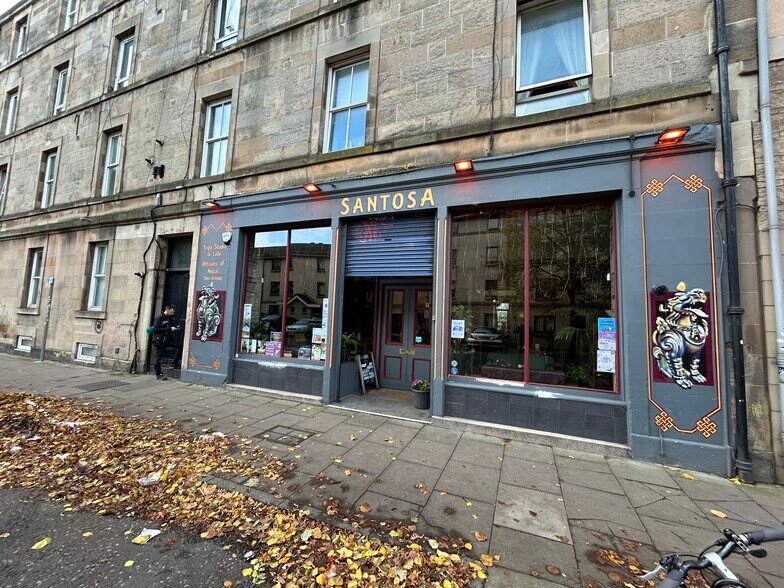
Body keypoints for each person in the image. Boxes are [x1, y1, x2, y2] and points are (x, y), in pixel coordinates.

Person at [152, 304, 182, 380]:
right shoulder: (159, 318)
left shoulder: (169, 318)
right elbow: (155, 329)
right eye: (171, 312)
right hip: (160, 340)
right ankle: (158, 374)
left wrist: (175, 328)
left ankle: (173, 363)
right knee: (159, 357)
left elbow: (169, 328)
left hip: (168, 339)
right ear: (167, 310)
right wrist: (169, 329)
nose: (173, 313)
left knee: (181, 347)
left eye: (173, 312)